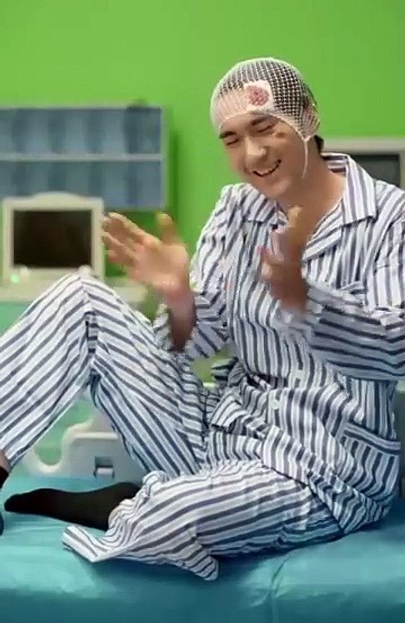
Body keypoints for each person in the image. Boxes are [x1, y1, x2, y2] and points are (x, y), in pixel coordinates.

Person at [1, 57, 405, 581]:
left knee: (166, 518)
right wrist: (179, 299)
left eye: (265, 128)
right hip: (219, 435)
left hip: (322, 469)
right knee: (82, 299)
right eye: (232, 139)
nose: (252, 154)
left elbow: (394, 350)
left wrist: (306, 301)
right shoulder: (237, 209)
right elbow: (192, 344)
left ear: (307, 117)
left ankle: (134, 503)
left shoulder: (390, 217)